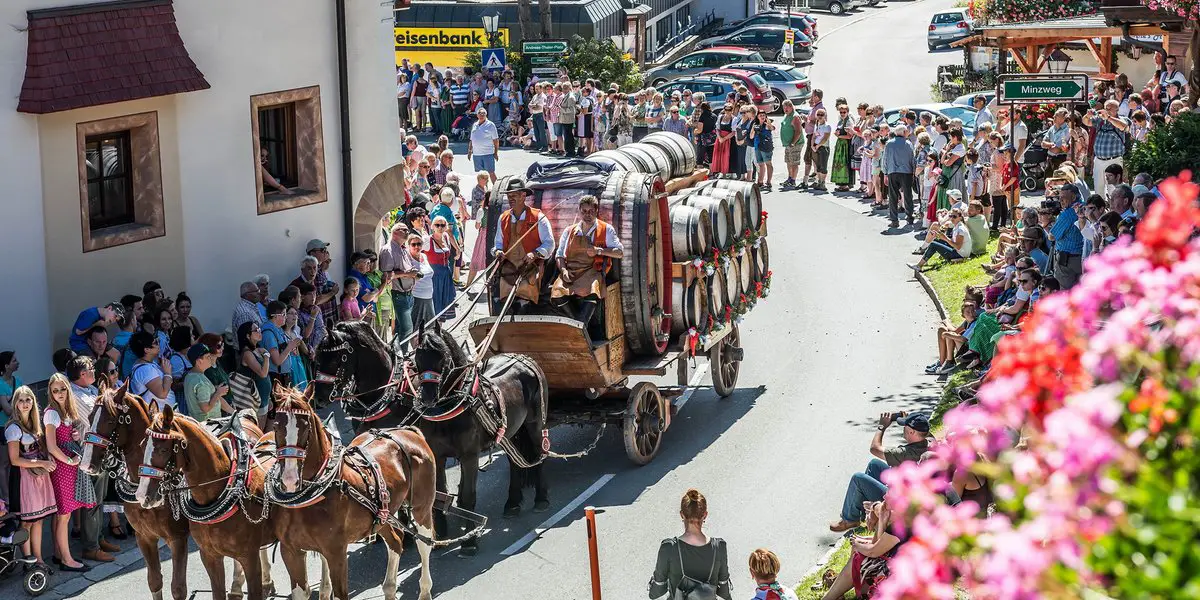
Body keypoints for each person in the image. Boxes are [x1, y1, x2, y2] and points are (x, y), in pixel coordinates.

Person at [828, 412, 931, 532]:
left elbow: (874, 448)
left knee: (858, 478)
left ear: (912, 432)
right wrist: (904, 418)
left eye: (905, 426)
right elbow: (923, 428)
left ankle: (850, 520)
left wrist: (882, 426)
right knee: (874, 465)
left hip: (899, 501)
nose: (903, 429)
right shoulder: (928, 441)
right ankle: (866, 514)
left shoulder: (905, 453)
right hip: (911, 491)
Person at [43, 373, 95, 569]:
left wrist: (73, 436)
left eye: (62, 389)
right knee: (64, 515)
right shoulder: (52, 413)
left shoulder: (65, 410)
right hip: (62, 467)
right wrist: (69, 461)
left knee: (63, 514)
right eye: (55, 390)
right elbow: (51, 446)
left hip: (69, 464)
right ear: (50, 392)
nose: (60, 394)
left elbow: (64, 437)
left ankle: (60, 554)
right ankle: (66, 559)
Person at [551, 195, 624, 332]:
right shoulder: (569, 231)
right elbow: (559, 255)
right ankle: (578, 325)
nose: (587, 215)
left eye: (590, 211)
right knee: (556, 294)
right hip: (571, 272)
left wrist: (599, 251)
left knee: (592, 291)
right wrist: (564, 271)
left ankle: (579, 327)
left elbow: (619, 252)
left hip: (592, 271)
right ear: (579, 211)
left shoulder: (606, 229)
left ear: (596, 211)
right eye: (584, 211)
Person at [6, 386, 56, 570]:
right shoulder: (13, 428)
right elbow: (15, 459)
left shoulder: (36, 424)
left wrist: (47, 459)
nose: (25, 404)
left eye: (28, 400)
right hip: (24, 478)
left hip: (38, 477)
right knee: (26, 521)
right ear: (15, 404)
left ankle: (39, 559)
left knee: (39, 519)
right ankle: (28, 560)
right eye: (21, 400)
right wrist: (41, 463)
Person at [648, 489, 732, 599]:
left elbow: (656, 593)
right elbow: (724, 591)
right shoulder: (719, 547)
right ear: (705, 515)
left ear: (682, 515)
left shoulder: (669, 548)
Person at [493, 177, 555, 314]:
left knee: (526, 289)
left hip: (530, 267)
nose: (510, 199)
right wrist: (498, 251)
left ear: (523, 196)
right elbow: (498, 243)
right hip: (509, 266)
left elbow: (550, 243)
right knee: (502, 292)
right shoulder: (503, 218)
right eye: (509, 196)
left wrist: (535, 253)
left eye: (514, 195)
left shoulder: (538, 217)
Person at [821, 501, 907, 600]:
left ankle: (831, 596)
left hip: (897, 577)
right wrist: (882, 520)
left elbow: (873, 551)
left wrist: (856, 544)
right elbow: (877, 542)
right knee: (861, 553)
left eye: (888, 493)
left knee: (859, 557)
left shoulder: (902, 521)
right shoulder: (902, 517)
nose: (884, 496)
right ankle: (839, 589)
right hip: (896, 566)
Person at [1089, 100, 1130, 194]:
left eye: (1110, 108)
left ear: (1117, 109)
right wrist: (1088, 115)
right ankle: (1100, 207)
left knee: (1114, 190)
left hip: (1114, 160)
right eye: (1106, 108)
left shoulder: (1122, 119)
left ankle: (1115, 208)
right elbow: (1086, 122)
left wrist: (1109, 118)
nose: (1107, 110)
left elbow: (1123, 126)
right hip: (1099, 160)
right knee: (1098, 189)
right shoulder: (1100, 120)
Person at [128, 331, 176, 411]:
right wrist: (168, 373)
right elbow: (162, 393)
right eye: (156, 342)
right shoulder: (145, 370)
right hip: (160, 417)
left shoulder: (149, 364)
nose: (158, 344)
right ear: (147, 349)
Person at [1049, 184, 1085, 288]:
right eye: (1059, 198)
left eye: (1063, 198)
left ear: (1073, 197)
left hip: (1068, 260)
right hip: (1083, 257)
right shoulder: (1084, 206)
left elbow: (1052, 236)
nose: (1061, 201)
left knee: (1064, 292)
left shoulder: (1068, 213)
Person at [235, 322, 272, 421]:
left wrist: (269, 398)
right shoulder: (247, 354)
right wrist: (266, 356)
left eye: (259, 329)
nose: (259, 331)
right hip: (255, 401)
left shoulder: (257, 350)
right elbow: (263, 373)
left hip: (263, 398)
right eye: (256, 330)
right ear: (248, 335)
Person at [427, 215, 459, 322]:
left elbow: (452, 239)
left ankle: (439, 328)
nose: (440, 227)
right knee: (436, 302)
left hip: (446, 275)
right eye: (437, 225)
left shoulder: (445, 237)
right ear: (432, 227)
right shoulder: (427, 240)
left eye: (442, 225)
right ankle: (434, 327)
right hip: (434, 276)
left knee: (444, 301)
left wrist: (458, 250)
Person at [883, 125, 916, 229]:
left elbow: (885, 159)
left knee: (892, 196)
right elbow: (912, 158)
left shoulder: (889, 144)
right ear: (904, 132)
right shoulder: (908, 144)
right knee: (907, 195)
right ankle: (910, 217)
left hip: (892, 171)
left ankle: (894, 220)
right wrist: (914, 171)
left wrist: (885, 172)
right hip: (906, 172)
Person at [184, 343, 227, 422]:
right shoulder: (201, 382)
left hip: (198, 423)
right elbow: (205, 408)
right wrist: (218, 393)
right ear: (199, 361)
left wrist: (215, 391)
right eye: (207, 357)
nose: (210, 358)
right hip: (209, 426)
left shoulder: (189, 376)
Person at [468, 107, 500, 183]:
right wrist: (469, 151)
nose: (481, 115)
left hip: (488, 153)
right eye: (480, 113)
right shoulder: (475, 124)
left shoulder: (490, 125)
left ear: (486, 115)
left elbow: (496, 140)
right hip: (476, 154)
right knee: (480, 175)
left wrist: (496, 153)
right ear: (477, 115)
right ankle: (483, 191)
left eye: (483, 113)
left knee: (491, 173)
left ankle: (497, 190)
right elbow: (471, 140)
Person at [778, 100, 804, 190]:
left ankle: (793, 180)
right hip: (788, 144)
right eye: (784, 107)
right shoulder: (787, 115)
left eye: (787, 107)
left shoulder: (795, 116)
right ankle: (789, 178)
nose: (785, 109)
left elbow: (798, 131)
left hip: (795, 144)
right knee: (788, 161)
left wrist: (793, 142)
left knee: (794, 162)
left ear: (791, 107)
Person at [830, 103, 855, 191]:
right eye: (841, 112)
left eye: (844, 112)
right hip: (840, 144)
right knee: (839, 163)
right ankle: (841, 184)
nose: (842, 114)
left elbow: (850, 136)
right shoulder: (841, 120)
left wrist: (839, 136)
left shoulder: (849, 121)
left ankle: (846, 184)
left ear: (847, 112)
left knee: (845, 163)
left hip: (846, 145)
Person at [750, 109, 776, 190]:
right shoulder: (755, 125)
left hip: (766, 147)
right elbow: (751, 136)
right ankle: (760, 181)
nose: (762, 117)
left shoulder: (767, 124)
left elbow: (772, 128)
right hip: (757, 146)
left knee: (768, 163)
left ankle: (768, 181)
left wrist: (768, 123)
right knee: (761, 164)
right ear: (757, 117)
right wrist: (754, 130)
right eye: (760, 115)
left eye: (764, 115)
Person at [809, 108, 831, 191]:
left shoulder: (827, 126)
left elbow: (825, 138)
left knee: (823, 166)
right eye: (818, 115)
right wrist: (812, 145)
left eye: (822, 115)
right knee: (817, 165)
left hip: (823, 147)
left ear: (825, 116)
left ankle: (823, 182)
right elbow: (814, 136)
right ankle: (819, 181)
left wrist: (818, 146)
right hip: (816, 147)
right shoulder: (817, 125)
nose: (820, 116)